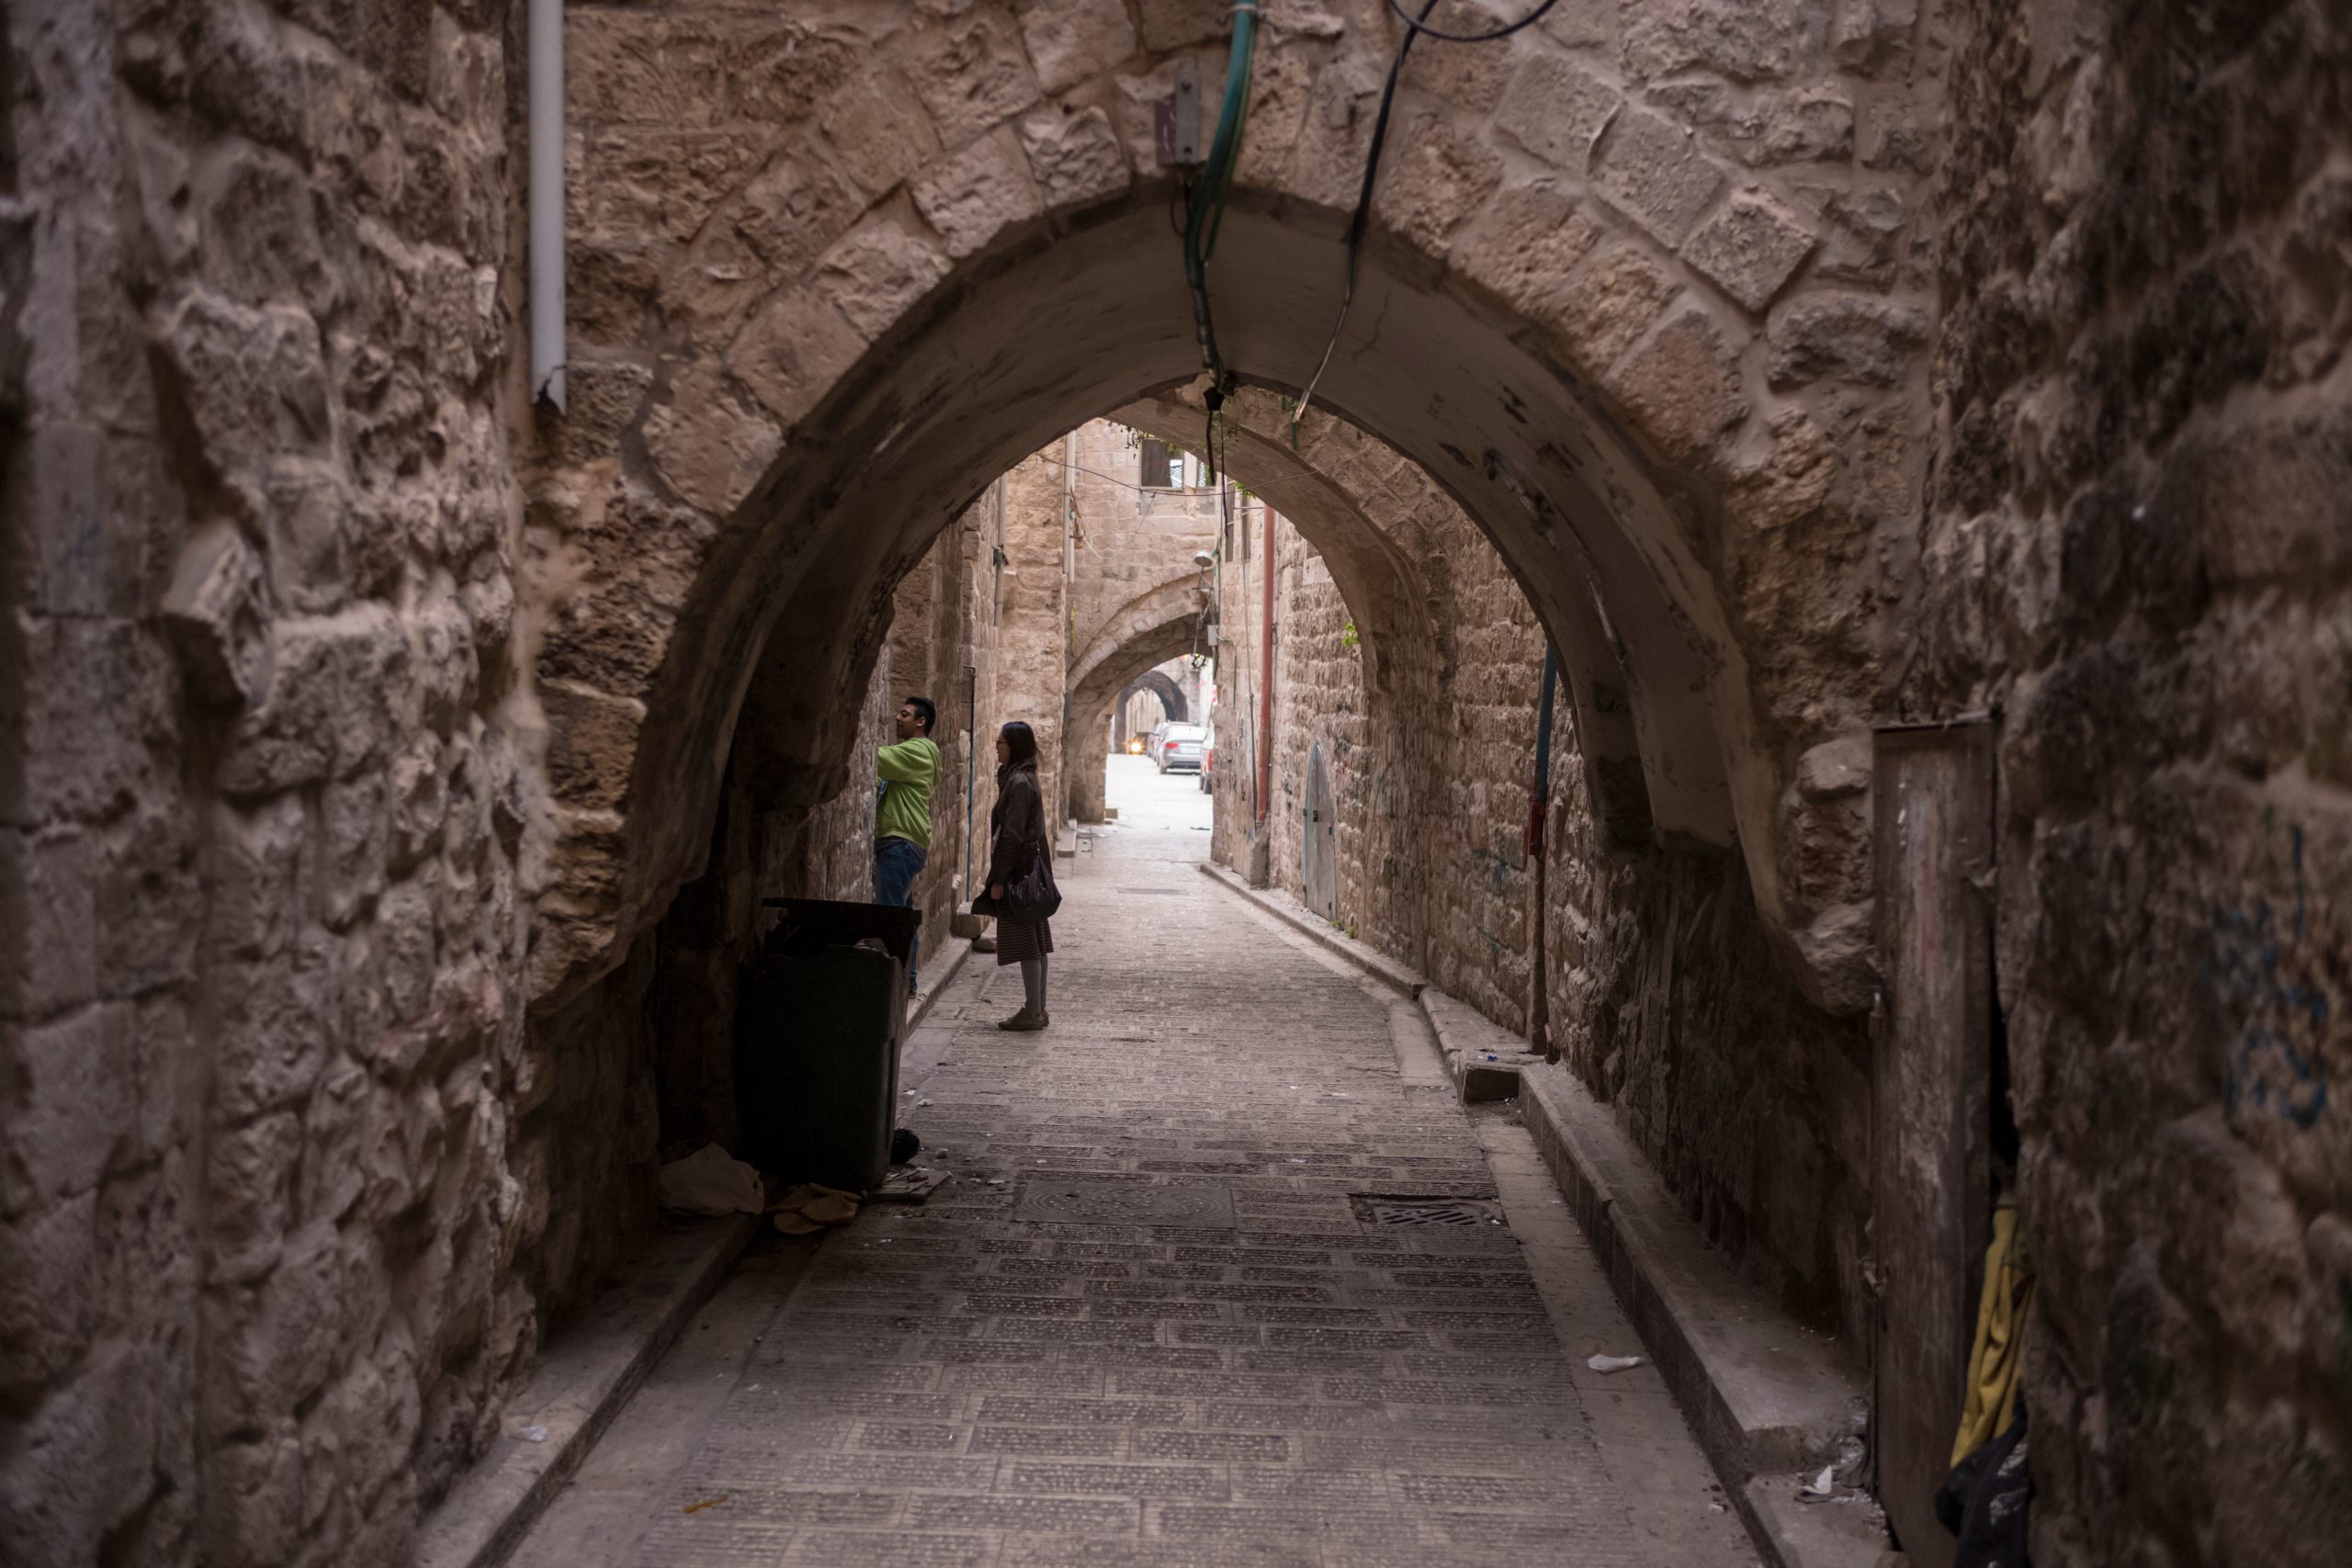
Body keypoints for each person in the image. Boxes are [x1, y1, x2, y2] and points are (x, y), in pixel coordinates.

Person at [975, 720, 1053, 1032]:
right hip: (1029, 870)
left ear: (1014, 747)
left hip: (1020, 874)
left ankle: (1033, 1012)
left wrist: (999, 879)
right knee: (1036, 941)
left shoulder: (1019, 783)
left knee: (1027, 943)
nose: (995, 746)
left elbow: (1012, 836)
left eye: (1001, 742)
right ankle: (1038, 1009)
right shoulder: (1021, 778)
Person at [875, 695, 940, 996]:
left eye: (905, 714)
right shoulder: (916, 752)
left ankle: (892, 986)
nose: (897, 718)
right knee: (901, 917)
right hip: (906, 844)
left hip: (901, 842)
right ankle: (907, 983)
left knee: (891, 919)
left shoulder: (918, 751)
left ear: (920, 722)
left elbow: (875, 759)